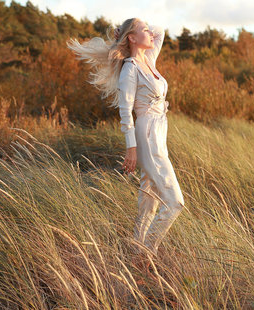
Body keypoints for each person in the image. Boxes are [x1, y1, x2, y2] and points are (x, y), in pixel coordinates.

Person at [68, 18, 185, 257]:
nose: (150, 34)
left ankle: (135, 253)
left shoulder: (149, 58)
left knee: (148, 200)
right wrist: (131, 149)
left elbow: (160, 29)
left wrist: (132, 29)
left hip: (160, 131)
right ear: (132, 38)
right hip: (147, 134)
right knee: (175, 203)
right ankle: (145, 253)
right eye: (144, 31)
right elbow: (125, 112)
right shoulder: (130, 69)